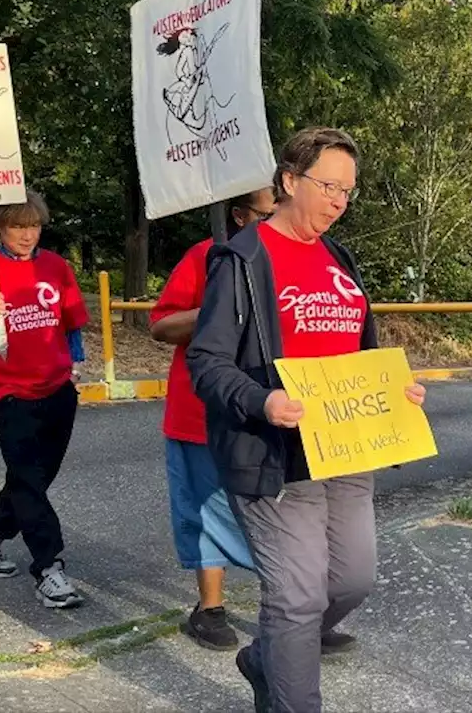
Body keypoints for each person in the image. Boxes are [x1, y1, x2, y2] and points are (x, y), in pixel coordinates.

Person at [187, 127, 427, 713]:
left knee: (350, 582)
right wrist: (262, 401)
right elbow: (206, 360)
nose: (340, 200)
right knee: (295, 599)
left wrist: (396, 392)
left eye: (348, 190)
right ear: (290, 181)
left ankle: (265, 658)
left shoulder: (340, 258)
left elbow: (361, 352)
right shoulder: (242, 259)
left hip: (346, 446)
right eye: (329, 185)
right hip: (274, 455)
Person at [0, 190, 91, 609]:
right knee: (28, 479)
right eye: (17, 226)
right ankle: (49, 568)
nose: (27, 235)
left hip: (58, 388)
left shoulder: (55, 266)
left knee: (34, 479)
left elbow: (71, 323)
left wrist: (75, 366)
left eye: (33, 225)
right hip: (8, 392)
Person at [149, 187, 275, 650]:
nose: (276, 217)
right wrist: (218, 312)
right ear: (239, 216)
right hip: (198, 411)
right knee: (203, 507)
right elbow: (161, 325)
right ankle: (209, 609)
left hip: (270, 412)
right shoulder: (205, 256)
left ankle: (293, 613)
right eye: (267, 212)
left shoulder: (294, 259)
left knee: (277, 513)